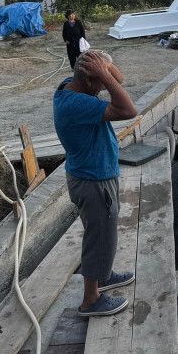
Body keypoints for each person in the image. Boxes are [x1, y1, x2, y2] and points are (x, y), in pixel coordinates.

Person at [53, 49, 139, 317]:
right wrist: (103, 72)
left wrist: (104, 69)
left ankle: (103, 275)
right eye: (101, 82)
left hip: (93, 176)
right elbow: (129, 109)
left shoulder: (72, 85)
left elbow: (120, 81)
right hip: (93, 181)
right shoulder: (77, 104)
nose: (105, 89)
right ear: (90, 81)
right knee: (99, 239)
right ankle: (91, 300)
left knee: (104, 235)